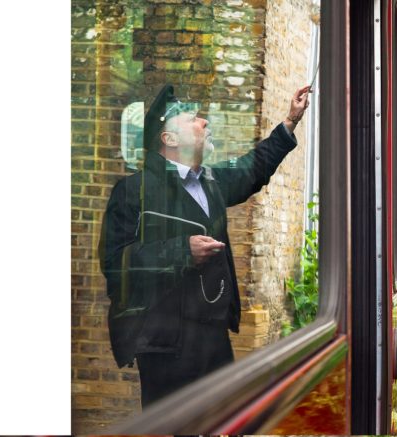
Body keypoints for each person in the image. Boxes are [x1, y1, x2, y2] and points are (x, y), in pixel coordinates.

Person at [99, 83, 311, 407]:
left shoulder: (211, 181)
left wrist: (290, 122)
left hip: (214, 340)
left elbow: (254, 167)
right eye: (192, 119)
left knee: (222, 421)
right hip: (165, 345)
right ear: (169, 139)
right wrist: (182, 252)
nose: (205, 123)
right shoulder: (133, 191)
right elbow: (116, 265)